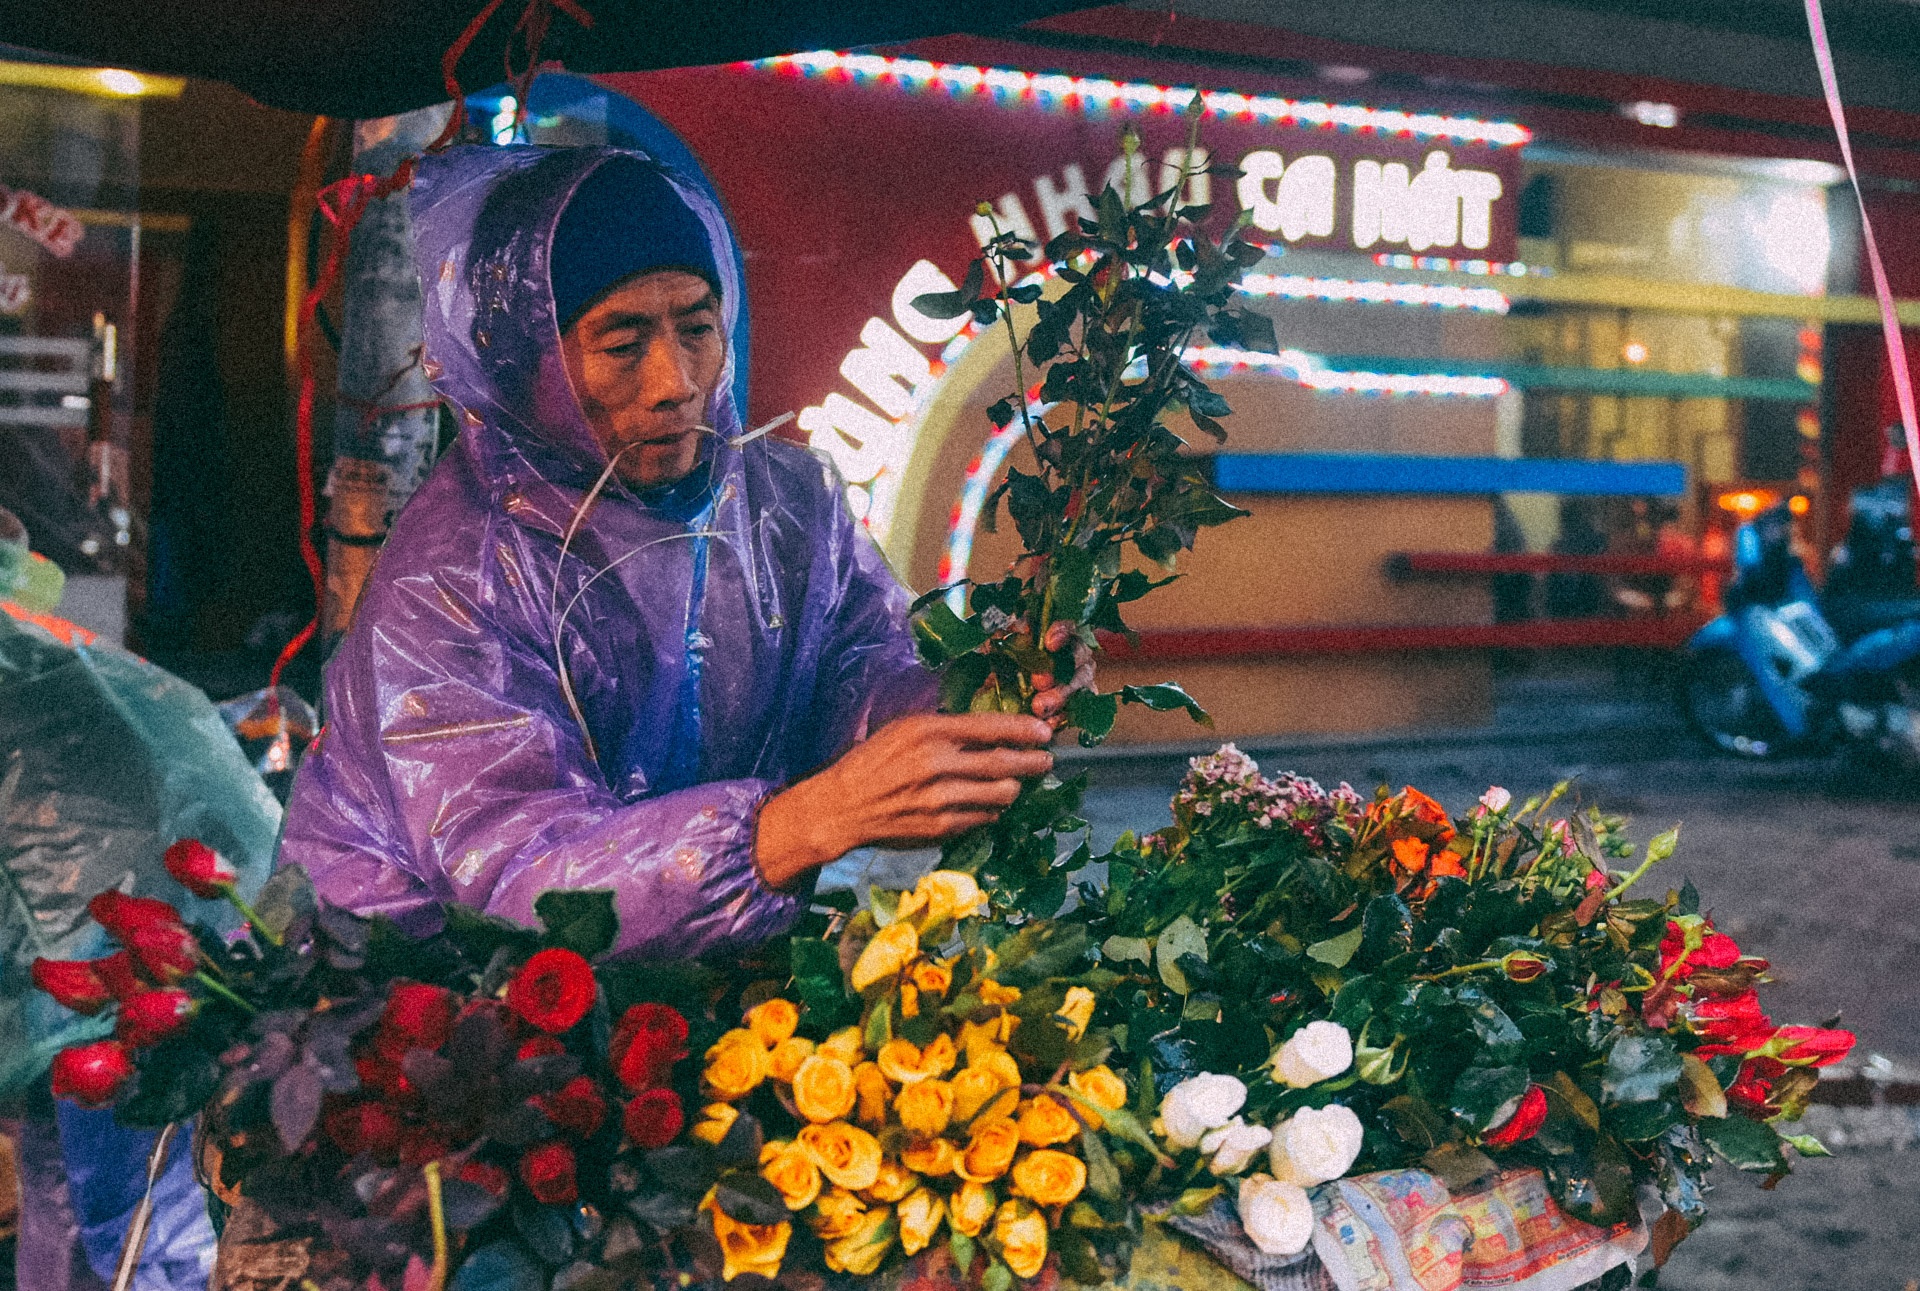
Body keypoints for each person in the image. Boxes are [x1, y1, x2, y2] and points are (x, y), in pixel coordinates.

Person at [279, 146, 1070, 958]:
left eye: (696, 329)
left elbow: (850, 674)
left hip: (679, 972)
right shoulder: (454, 573)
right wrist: (792, 827)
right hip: (420, 992)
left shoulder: (785, 505)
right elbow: (521, 880)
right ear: (527, 361)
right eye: (622, 345)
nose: (676, 382)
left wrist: (966, 701)